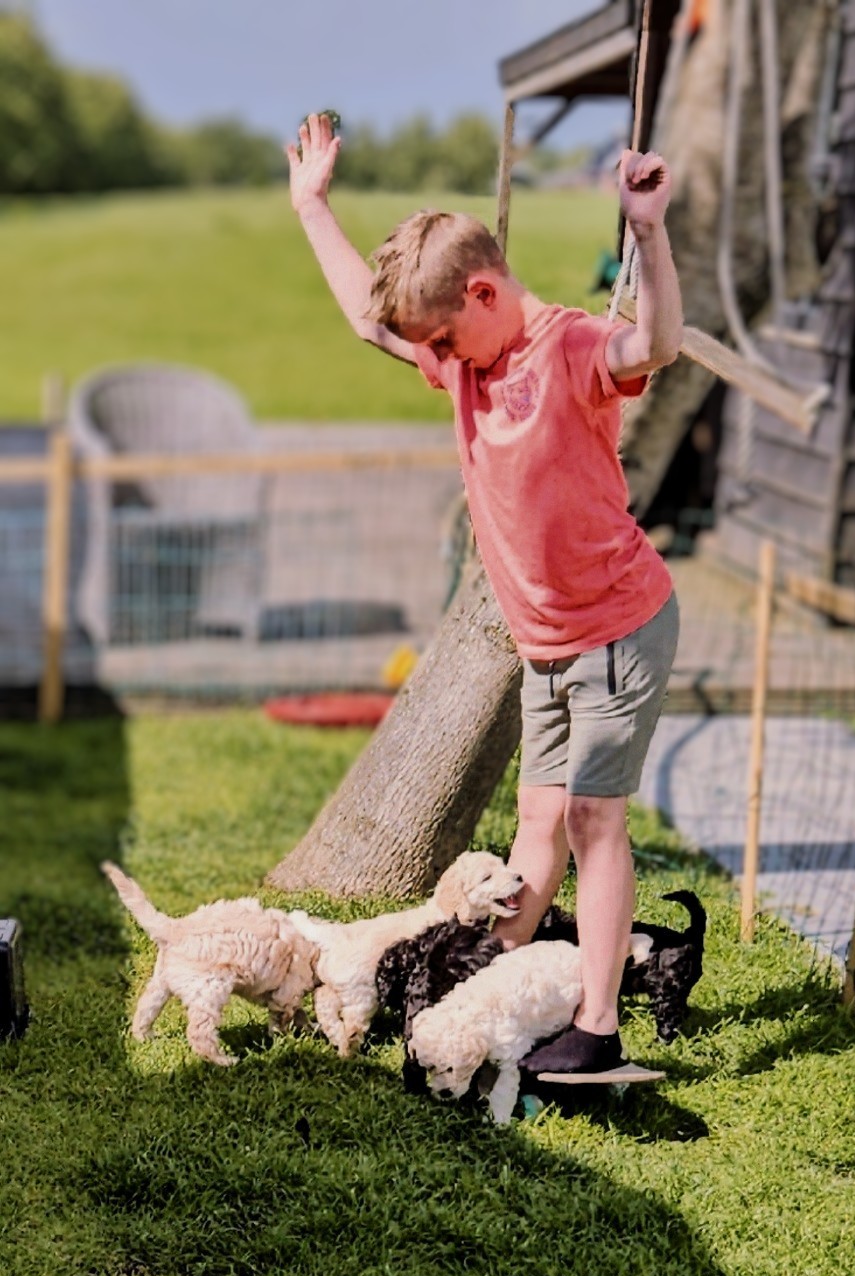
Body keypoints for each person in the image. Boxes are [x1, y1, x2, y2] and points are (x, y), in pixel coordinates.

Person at [287, 113, 683, 1077]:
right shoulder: (467, 362)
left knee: (593, 823)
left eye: (445, 339)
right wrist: (311, 205)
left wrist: (649, 229)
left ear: (483, 290)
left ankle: (595, 1027)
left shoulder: (569, 347)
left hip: (619, 628)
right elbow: (364, 316)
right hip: (543, 643)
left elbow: (658, 344)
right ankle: (487, 989)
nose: (437, 360)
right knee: (534, 831)